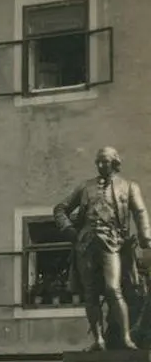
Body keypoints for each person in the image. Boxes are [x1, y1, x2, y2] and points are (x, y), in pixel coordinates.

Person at [54, 146, 151, 350]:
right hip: (86, 245)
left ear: (115, 162)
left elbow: (140, 212)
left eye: (105, 161)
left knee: (113, 289)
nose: (100, 165)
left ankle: (126, 338)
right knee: (90, 293)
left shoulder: (128, 186)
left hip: (113, 244)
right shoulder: (85, 187)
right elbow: (60, 209)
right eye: (98, 161)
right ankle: (98, 340)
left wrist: (145, 238)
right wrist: (70, 231)